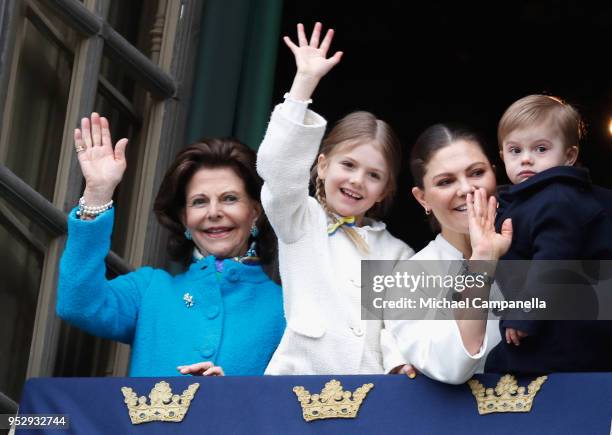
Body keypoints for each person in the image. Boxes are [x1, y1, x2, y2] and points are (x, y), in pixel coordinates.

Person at [57, 113, 285, 377]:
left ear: (255, 211)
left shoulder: (286, 308)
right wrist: (97, 193)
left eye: (230, 198)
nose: (213, 212)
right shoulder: (150, 291)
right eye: (199, 201)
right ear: (185, 220)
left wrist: (231, 397)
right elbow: (78, 305)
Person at [257, 23, 415, 375]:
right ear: (322, 166)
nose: (357, 180)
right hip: (300, 385)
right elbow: (278, 170)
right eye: (348, 165)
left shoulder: (398, 253)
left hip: (372, 392)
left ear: (385, 190)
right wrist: (303, 85)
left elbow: (397, 326)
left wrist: (401, 363)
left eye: (374, 175)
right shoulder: (301, 219)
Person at [485, 94, 612, 373]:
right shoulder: (527, 199)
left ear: (569, 156)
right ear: (503, 155)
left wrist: (523, 313)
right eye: (515, 151)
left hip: (566, 330)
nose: (526, 159)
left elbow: (553, 262)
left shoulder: (558, 198)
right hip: (552, 321)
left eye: (541, 149)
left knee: (499, 368)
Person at [385, 124, 513, 384]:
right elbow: (452, 366)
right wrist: (483, 260)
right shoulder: (410, 276)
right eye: (445, 181)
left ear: (494, 176)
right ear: (423, 199)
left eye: (477, 173)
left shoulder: (537, 251)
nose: (466, 189)